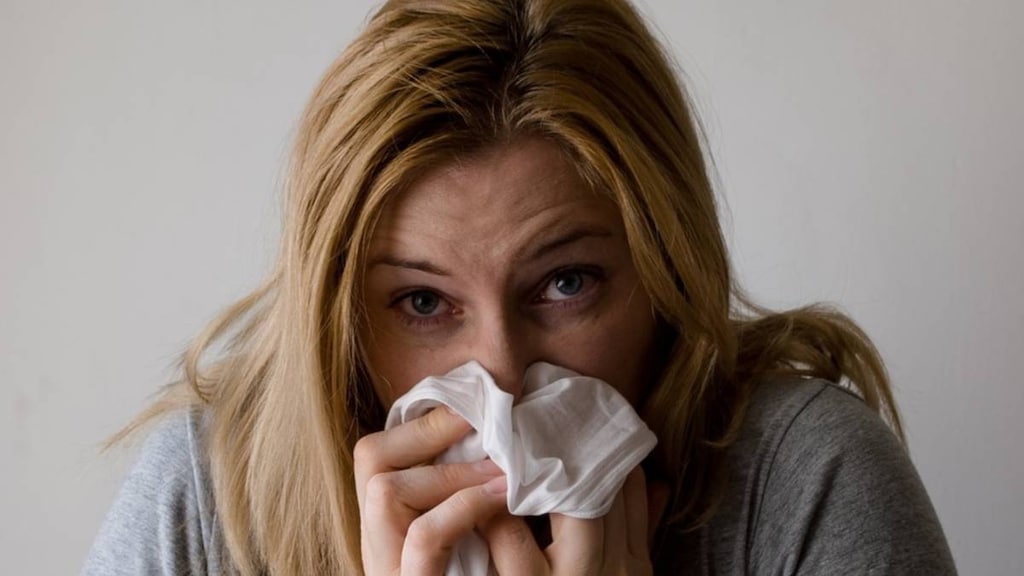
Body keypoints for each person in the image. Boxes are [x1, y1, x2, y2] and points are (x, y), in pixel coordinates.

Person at [82, 0, 957, 574]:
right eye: (423, 304)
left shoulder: (803, 486)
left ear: (664, 273)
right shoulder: (205, 502)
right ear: (339, 319)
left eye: (566, 284)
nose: (498, 377)